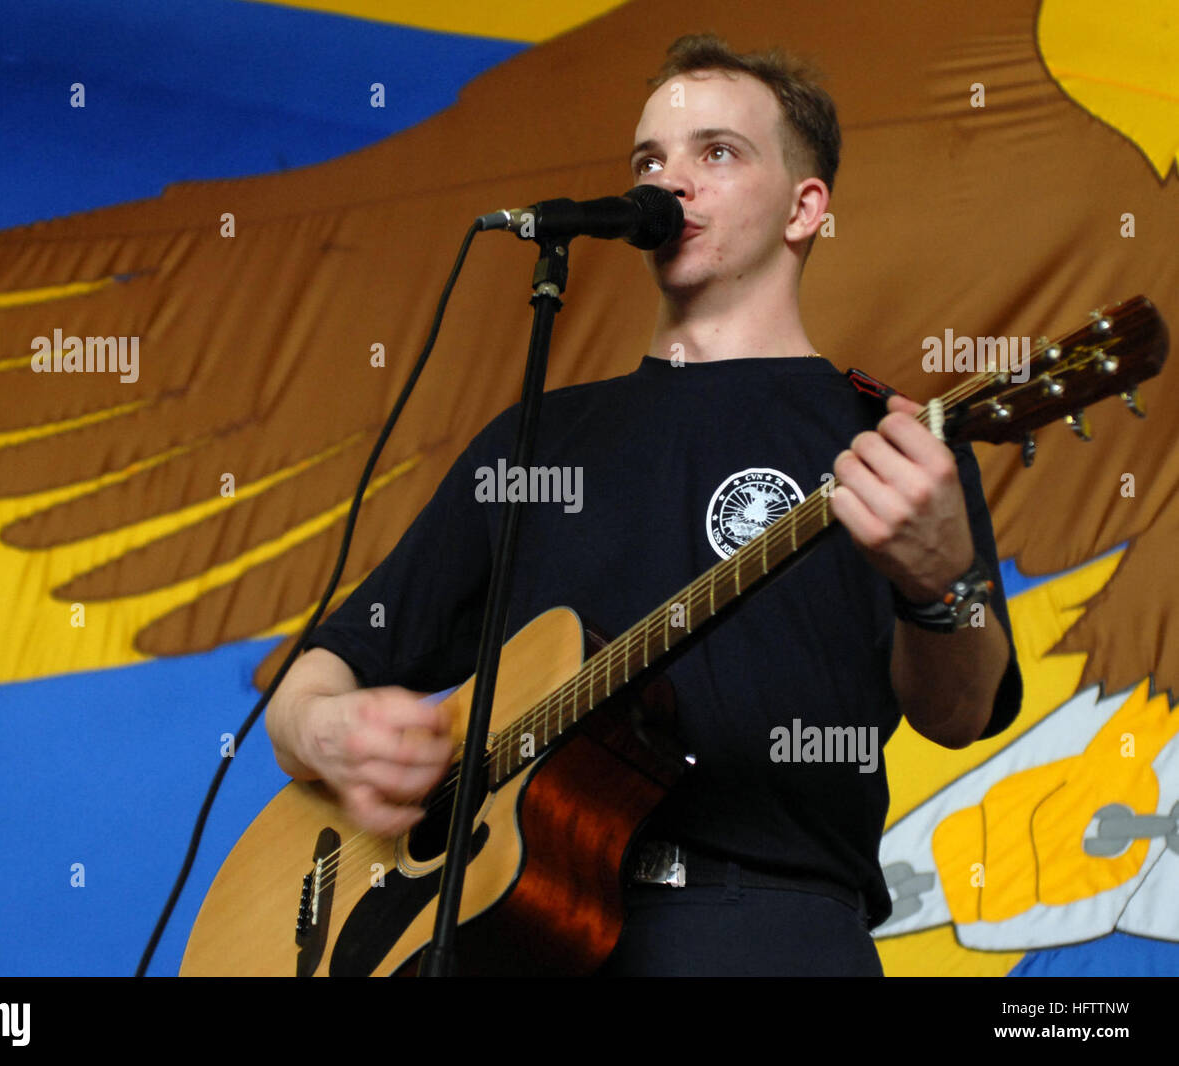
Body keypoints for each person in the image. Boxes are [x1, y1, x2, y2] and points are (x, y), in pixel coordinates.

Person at [265, 33, 1022, 976]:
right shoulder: (535, 440)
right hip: (504, 941)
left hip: (762, 935)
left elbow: (961, 714)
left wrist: (938, 586)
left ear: (805, 207)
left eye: (717, 152)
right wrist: (329, 733)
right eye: (649, 162)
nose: (671, 184)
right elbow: (319, 672)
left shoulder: (894, 447)